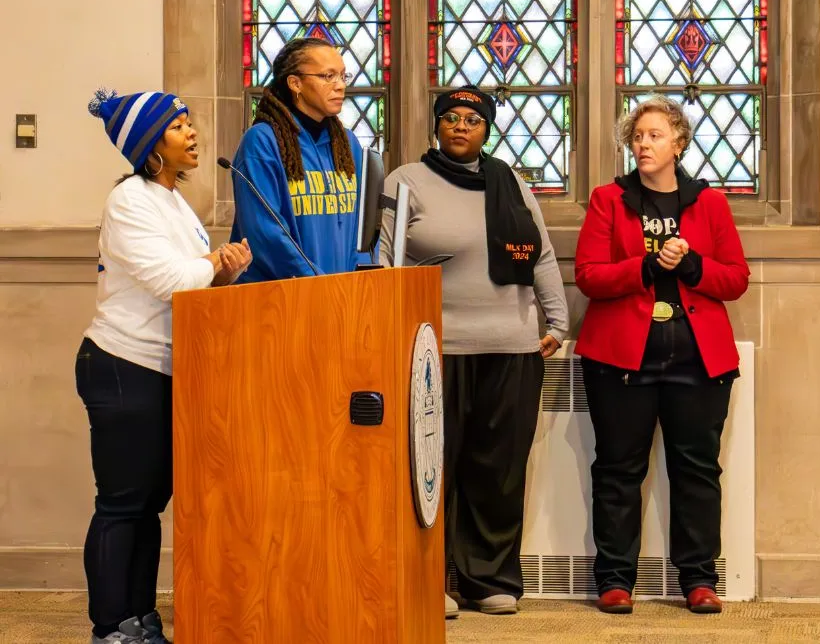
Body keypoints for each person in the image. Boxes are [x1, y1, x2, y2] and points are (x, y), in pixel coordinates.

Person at [378, 86, 569, 619]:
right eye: (451, 118)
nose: (462, 127)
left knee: (499, 468)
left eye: (473, 120)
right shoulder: (406, 181)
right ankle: (429, 579)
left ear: (487, 130)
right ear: (436, 126)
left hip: (512, 344)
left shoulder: (510, 184)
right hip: (434, 347)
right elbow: (384, 257)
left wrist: (558, 319)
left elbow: (542, 255)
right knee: (431, 468)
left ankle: (489, 580)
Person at [80, 90, 252, 643]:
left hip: (164, 367)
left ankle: (140, 615)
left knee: (149, 504)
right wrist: (212, 262)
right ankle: (111, 626)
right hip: (122, 364)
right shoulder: (130, 200)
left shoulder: (173, 201)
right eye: (178, 126)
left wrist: (226, 272)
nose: (193, 133)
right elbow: (169, 281)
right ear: (151, 145)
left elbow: (193, 285)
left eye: (189, 123)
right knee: (122, 503)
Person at [574, 95, 749, 615]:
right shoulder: (609, 199)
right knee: (617, 469)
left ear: (678, 142)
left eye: (653, 135)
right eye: (637, 137)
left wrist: (692, 263)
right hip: (621, 361)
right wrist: (648, 265)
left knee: (696, 470)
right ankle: (614, 579)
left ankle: (698, 579)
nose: (643, 144)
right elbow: (588, 276)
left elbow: (736, 279)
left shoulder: (709, 203)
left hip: (697, 361)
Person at [229, 37, 367, 280]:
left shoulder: (347, 144)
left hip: (343, 298)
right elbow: (265, 234)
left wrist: (363, 278)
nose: (340, 86)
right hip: (282, 299)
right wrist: (317, 283)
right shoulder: (262, 142)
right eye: (328, 76)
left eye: (343, 76)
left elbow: (364, 228)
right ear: (295, 83)